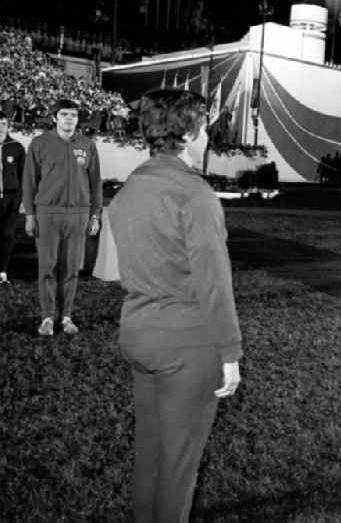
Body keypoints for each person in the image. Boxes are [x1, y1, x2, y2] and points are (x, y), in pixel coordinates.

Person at [108, 89, 242, 523]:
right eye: (205, 130)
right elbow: (214, 282)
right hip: (185, 343)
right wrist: (230, 351)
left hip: (138, 333)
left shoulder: (129, 189)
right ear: (187, 133)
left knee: (150, 457)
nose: (208, 140)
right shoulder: (194, 194)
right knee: (178, 471)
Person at [21, 99, 101, 335]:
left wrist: (95, 215)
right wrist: (30, 214)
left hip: (78, 214)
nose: (69, 119)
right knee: (47, 266)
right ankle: (47, 317)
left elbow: (95, 183)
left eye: (74, 115)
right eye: (64, 114)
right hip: (47, 214)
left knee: (71, 268)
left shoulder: (87, 145)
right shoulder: (40, 143)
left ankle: (66, 317)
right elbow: (29, 182)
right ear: (55, 117)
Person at [0, 111, 27, 284]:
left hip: (11, 198)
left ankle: (2, 272)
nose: (0, 128)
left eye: (3, 124)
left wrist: (23, 199)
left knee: (7, 235)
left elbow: (24, 175)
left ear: (8, 126)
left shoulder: (16, 147)